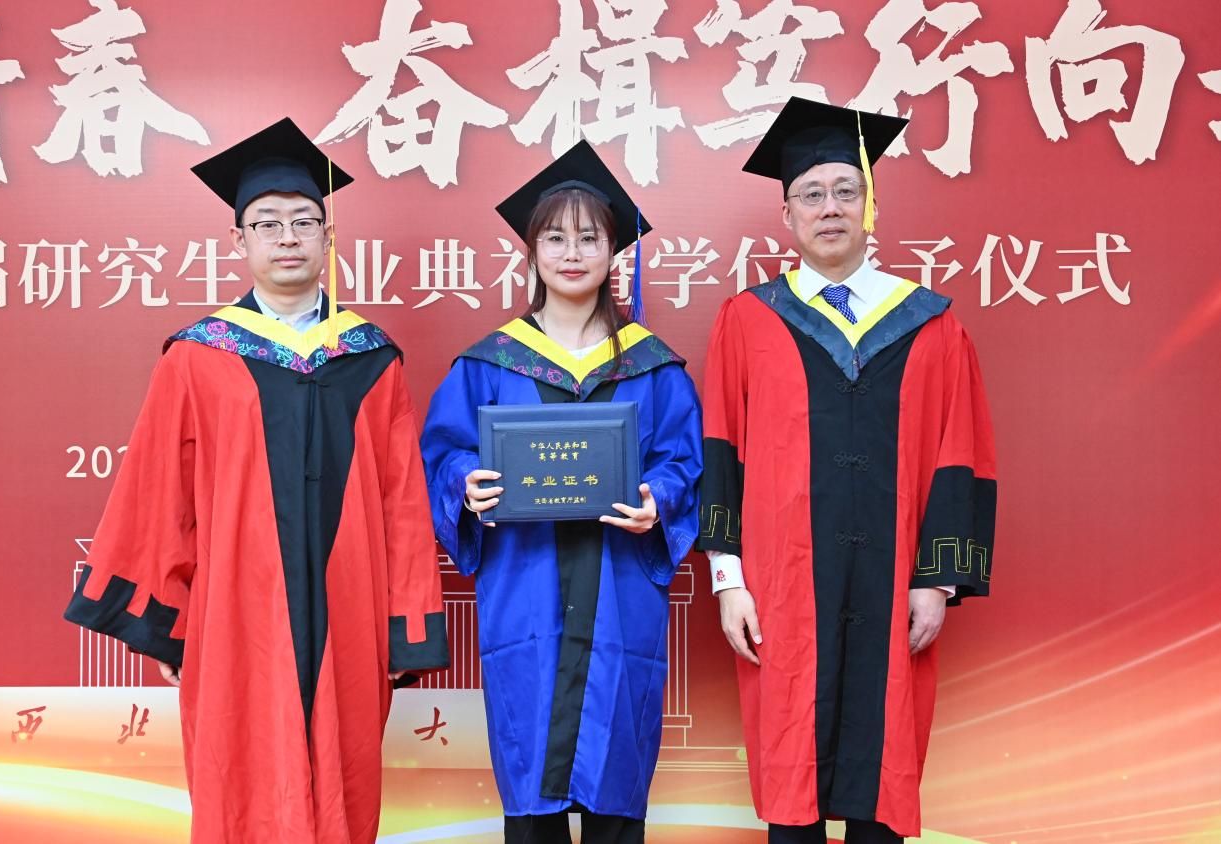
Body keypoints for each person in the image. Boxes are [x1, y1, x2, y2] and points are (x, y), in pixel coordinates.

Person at [63, 118, 448, 843]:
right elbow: (159, 494)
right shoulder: (196, 357)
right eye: (267, 223)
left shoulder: (372, 360)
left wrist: (406, 628)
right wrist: (168, 626)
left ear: (329, 238)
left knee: (344, 771)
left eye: (304, 221)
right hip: (236, 610)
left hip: (349, 607)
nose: (287, 237)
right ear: (238, 241)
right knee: (240, 768)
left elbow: (402, 501)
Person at [699, 97, 997, 843]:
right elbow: (720, 450)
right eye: (811, 194)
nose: (828, 208)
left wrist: (937, 580)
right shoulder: (748, 319)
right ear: (787, 215)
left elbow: (959, 455)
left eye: (844, 191)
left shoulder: (931, 323)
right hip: (781, 586)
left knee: (883, 768)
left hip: (895, 586)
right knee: (791, 773)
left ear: (869, 206)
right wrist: (729, 579)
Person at [420, 140, 702, 843]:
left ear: (614, 252)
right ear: (531, 251)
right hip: (525, 589)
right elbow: (445, 451)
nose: (572, 253)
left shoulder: (653, 368)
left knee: (614, 791)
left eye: (589, 237)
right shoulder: (487, 364)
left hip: (620, 593)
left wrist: (658, 500)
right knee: (532, 790)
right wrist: (465, 485)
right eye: (554, 237)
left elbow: (683, 461)